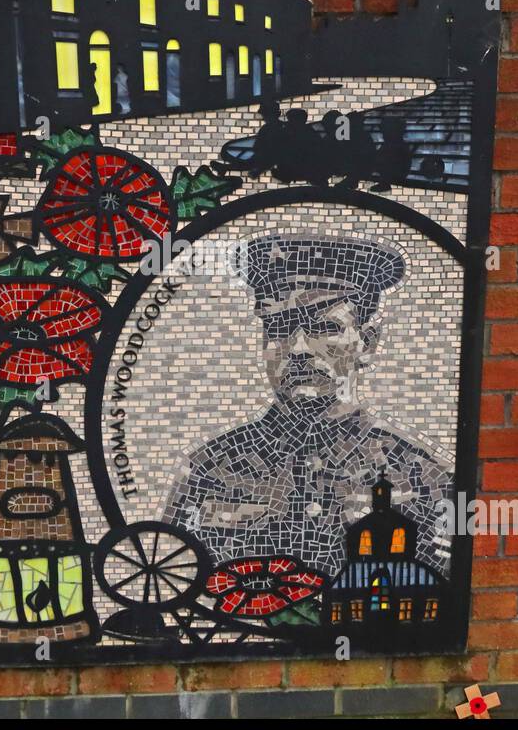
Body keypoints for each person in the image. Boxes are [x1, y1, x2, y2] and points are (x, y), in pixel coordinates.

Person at [164, 233, 453, 580]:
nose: (298, 348)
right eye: (279, 328)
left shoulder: (423, 478)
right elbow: (175, 582)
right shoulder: (206, 473)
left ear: (367, 344)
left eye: (324, 327)